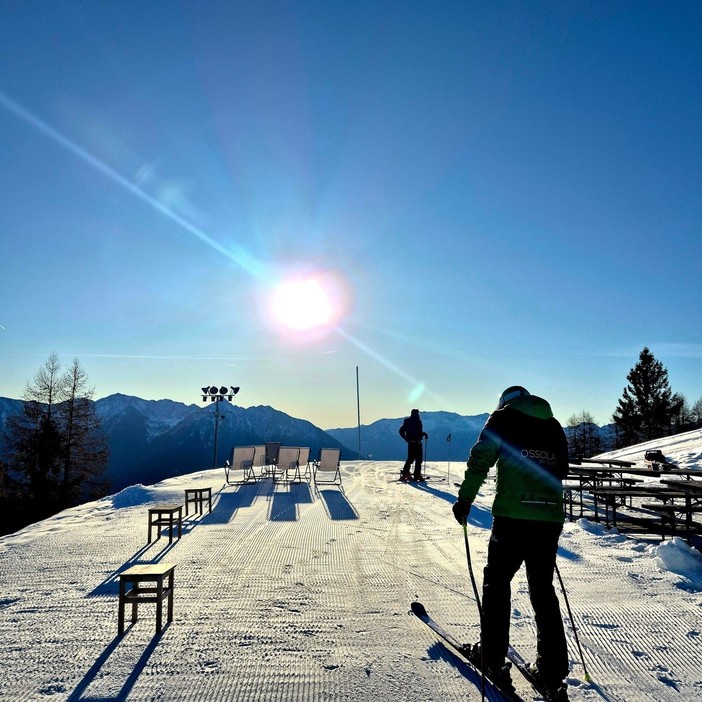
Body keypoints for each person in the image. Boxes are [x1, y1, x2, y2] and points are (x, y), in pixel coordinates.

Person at [452, 386, 570, 702]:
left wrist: (465, 500)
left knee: (498, 582)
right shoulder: (553, 425)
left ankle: (491, 658)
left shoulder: (502, 418)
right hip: (549, 520)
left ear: (504, 402)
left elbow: (481, 459)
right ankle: (552, 670)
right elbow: (562, 469)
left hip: (512, 517)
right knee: (542, 590)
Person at [398, 408, 428, 481]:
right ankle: (417, 475)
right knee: (418, 460)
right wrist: (423, 435)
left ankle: (405, 473)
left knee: (410, 459)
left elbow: (401, 431)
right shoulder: (418, 421)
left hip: (411, 443)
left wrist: (406, 439)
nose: (418, 415)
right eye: (418, 413)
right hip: (418, 443)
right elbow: (418, 432)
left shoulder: (407, 421)